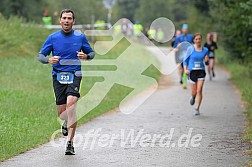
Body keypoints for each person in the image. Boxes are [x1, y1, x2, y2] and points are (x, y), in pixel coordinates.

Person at [38, 9, 95, 155]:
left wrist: (85, 56)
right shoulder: (52, 38)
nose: (67, 21)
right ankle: (65, 122)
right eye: (64, 18)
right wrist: (48, 60)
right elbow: (41, 55)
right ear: (60, 20)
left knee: (71, 104)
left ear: (73, 21)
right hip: (58, 75)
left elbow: (92, 53)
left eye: (69, 18)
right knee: (62, 113)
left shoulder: (80, 37)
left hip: (74, 74)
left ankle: (70, 143)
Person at [183, 33, 209, 115]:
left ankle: (197, 108)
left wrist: (207, 60)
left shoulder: (205, 50)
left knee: (199, 90)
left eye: (199, 39)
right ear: (194, 40)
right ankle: (193, 97)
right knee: (194, 92)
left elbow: (206, 62)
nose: (198, 40)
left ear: (201, 40)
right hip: (192, 71)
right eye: (196, 39)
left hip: (201, 71)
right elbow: (185, 60)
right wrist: (185, 70)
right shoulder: (190, 49)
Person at [173, 24, 193, 89]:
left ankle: (184, 82)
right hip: (181, 54)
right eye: (184, 29)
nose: (185, 30)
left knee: (186, 67)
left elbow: (193, 43)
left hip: (188, 54)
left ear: (187, 30)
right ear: (182, 30)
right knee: (180, 67)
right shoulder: (179, 37)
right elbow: (175, 45)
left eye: (186, 29)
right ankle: (181, 78)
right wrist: (176, 47)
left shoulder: (190, 37)